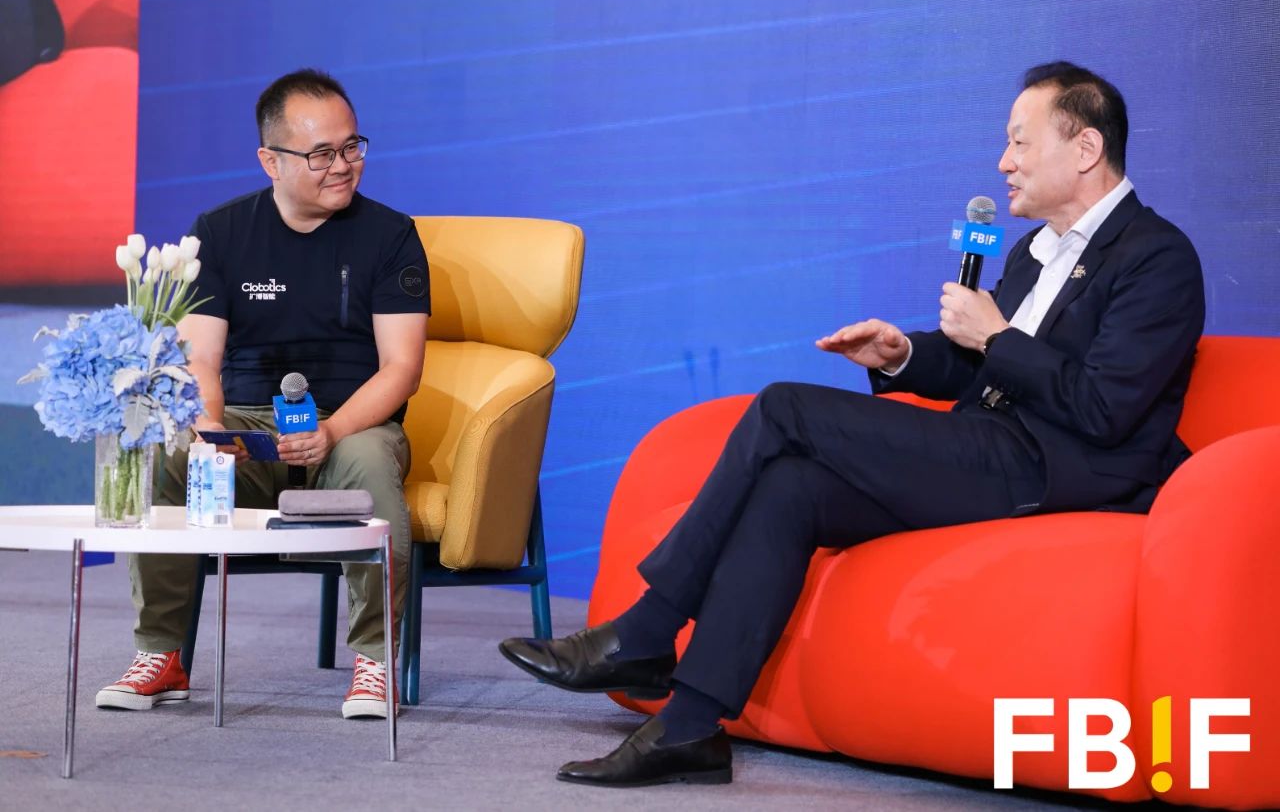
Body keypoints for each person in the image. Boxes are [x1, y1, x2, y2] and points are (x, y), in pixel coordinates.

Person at [500, 61, 1205, 786]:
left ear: (1085, 148)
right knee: (791, 487)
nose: (1004, 162)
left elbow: (1103, 407)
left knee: (784, 406)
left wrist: (995, 336)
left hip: (1057, 470)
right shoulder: (1033, 252)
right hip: (987, 447)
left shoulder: (1157, 257)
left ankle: (647, 628)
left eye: (1020, 143)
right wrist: (904, 356)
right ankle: (689, 727)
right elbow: (983, 367)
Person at [95, 69, 430, 719]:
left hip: (348, 425)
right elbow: (200, 358)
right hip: (247, 427)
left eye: (351, 147)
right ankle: (161, 652)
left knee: (367, 462)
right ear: (270, 160)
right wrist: (209, 430)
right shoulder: (221, 233)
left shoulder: (391, 236)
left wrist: (331, 432)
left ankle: (375, 661)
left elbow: (401, 369)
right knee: (166, 453)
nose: (343, 165)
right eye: (322, 154)